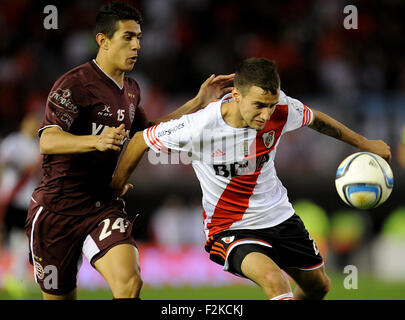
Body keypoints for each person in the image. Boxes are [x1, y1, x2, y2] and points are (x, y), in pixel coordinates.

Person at [111, 57, 392, 300]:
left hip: (279, 215)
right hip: (230, 226)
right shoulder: (200, 125)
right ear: (235, 95)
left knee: (319, 287)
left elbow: (316, 119)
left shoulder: (281, 107)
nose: (266, 113)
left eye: (270, 105)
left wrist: (365, 143)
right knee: (275, 281)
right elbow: (141, 139)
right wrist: (115, 187)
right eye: (259, 105)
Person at [25, 1, 234, 300]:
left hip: (102, 205)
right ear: (103, 40)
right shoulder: (74, 84)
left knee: (130, 283)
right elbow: (48, 140)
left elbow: (149, 130)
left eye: (138, 37)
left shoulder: (131, 88)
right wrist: (93, 142)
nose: (137, 45)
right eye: (128, 37)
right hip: (57, 210)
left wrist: (198, 103)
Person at [0, 113, 41, 298]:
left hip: (26, 200)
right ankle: (12, 278)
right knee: (16, 240)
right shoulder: (13, 141)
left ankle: (14, 277)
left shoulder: (37, 146)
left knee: (24, 240)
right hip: (11, 197)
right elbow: (4, 162)